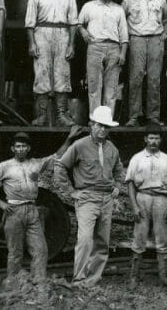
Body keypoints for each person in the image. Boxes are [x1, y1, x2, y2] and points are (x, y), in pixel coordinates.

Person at [0, 127, 81, 281]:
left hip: (32, 210)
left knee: (40, 249)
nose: (21, 149)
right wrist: (1, 204)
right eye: (18, 146)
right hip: (14, 212)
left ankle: (39, 283)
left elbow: (57, 157)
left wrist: (69, 138)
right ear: (13, 149)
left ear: (28, 148)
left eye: (24, 146)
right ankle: (13, 284)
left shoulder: (35, 164)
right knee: (15, 252)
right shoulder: (4, 167)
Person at [57, 106, 124, 288]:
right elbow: (60, 167)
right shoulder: (80, 145)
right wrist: (72, 192)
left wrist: (117, 186)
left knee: (102, 242)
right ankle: (79, 280)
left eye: (106, 127)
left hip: (106, 199)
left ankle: (92, 281)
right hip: (87, 198)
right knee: (85, 239)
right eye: (99, 125)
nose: (102, 130)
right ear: (91, 125)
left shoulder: (112, 148)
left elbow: (119, 170)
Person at [25, 0, 79, 127]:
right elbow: (30, 22)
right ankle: (41, 115)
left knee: (62, 73)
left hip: (62, 33)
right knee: (41, 72)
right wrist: (32, 43)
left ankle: (62, 115)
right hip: (42, 33)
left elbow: (73, 23)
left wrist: (71, 44)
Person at [126, 124, 167, 287]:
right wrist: (134, 206)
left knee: (162, 237)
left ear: (160, 140)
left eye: (157, 138)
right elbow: (130, 184)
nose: (153, 141)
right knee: (139, 237)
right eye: (151, 138)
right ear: (145, 139)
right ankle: (134, 277)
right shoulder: (137, 158)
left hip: (161, 200)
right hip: (143, 197)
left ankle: (164, 276)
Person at [123, 0, 167, 127]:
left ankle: (153, 116)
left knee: (154, 79)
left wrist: (164, 35)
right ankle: (134, 115)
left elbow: (166, 19)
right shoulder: (129, 0)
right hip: (137, 39)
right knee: (136, 78)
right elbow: (121, 21)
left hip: (156, 39)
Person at [78, 0, 128, 115]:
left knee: (111, 87)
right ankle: (95, 119)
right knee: (94, 85)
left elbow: (124, 34)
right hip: (95, 46)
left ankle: (107, 120)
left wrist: (123, 53)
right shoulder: (89, 6)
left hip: (114, 48)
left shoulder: (118, 9)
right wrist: (83, 32)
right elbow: (79, 23)